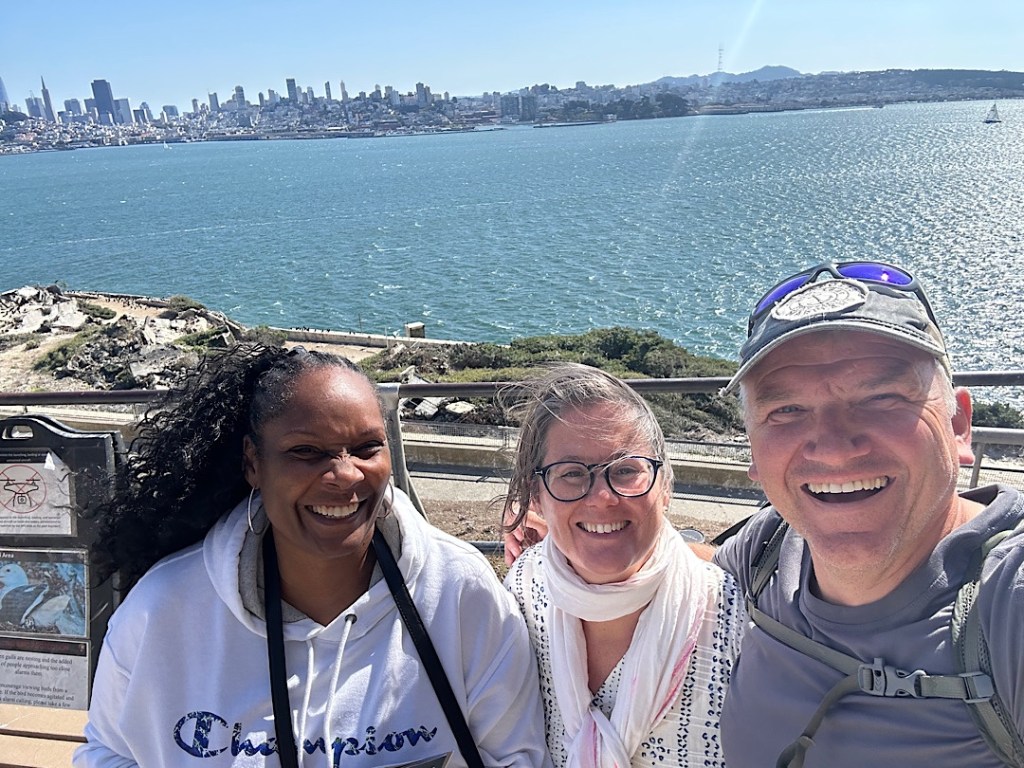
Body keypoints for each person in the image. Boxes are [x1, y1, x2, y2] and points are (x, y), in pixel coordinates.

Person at [75, 343, 551, 768]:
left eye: (366, 447)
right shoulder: (163, 608)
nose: (345, 475)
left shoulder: (460, 590)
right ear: (253, 463)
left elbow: (517, 755)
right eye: (306, 451)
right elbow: (109, 753)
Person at [714, 261, 1024, 767]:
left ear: (958, 425)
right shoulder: (769, 548)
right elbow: (688, 570)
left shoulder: (1008, 602)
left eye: (881, 397)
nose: (835, 447)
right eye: (786, 410)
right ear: (752, 447)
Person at [501, 363, 745, 767]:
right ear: (537, 496)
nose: (602, 497)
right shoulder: (522, 594)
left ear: (665, 486)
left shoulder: (738, 620)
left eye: (626, 470)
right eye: (571, 474)